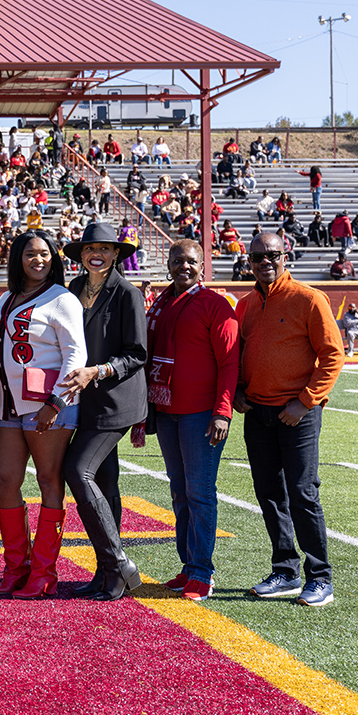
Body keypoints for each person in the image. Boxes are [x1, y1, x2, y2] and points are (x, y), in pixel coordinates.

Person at [234, 232, 344, 607]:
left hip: (298, 414)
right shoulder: (245, 305)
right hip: (258, 413)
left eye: (272, 255)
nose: (265, 262)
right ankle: (285, 570)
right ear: (248, 262)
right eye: (257, 257)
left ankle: (320, 577)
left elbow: (333, 356)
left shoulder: (310, 299)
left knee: (302, 493)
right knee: (269, 495)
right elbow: (240, 353)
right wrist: (239, 390)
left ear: (286, 255)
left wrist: (305, 401)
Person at [0, 229, 86, 599]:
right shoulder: (6, 298)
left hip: (49, 409)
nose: (38, 259)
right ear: (18, 259)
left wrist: (55, 403)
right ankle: (16, 567)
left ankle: (44, 572)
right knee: (5, 480)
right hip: (9, 407)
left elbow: (76, 354)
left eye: (45, 253)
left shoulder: (62, 300)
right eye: (30, 254)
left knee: (48, 480)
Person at [55, 223, 148, 601]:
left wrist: (98, 370)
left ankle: (118, 562)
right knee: (105, 483)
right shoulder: (73, 289)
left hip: (116, 401)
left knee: (78, 469)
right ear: (81, 254)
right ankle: (107, 574)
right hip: (85, 401)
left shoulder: (127, 294)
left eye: (106, 249)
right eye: (90, 247)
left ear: (116, 255)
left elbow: (137, 354)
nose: (97, 254)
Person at [145, 240, 239, 600]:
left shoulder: (214, 305)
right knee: (179, 492)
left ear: (202, 265)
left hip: (202, 415)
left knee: (200, 493)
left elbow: (230, 362)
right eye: (176, 260)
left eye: (190, 261)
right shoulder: (163, 303)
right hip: (168, 413)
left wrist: (222, 412)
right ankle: (188, 566)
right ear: (168, 263)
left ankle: (203, 572)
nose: (183, 266)